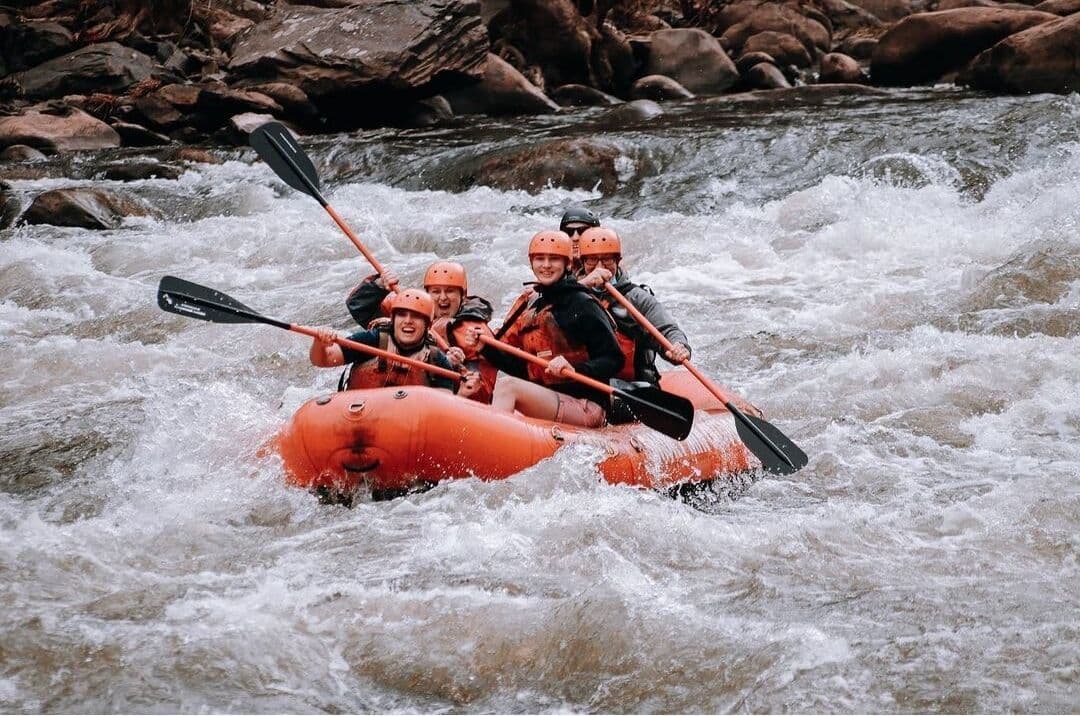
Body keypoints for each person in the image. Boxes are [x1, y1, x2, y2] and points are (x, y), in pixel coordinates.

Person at [483, 230, 623, 428]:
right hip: (551, 400)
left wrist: (575, 369)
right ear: (531, 263)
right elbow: (525, 371)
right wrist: (484, 347)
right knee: (505, 386)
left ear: (567, 264)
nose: (546, 265)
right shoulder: (534, 305)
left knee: (507, 387)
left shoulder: (582, 303)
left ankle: (493, 449)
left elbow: (614, 359)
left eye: (554, 259)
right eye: (540, 259)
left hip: (586, 406)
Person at [311, 288, 482, 397]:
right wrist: (319, 343)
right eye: (402, 315)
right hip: (359, 415)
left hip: (405, 430)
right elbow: (323, 360)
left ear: (427, 325)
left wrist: (462, 395)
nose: (408, 321)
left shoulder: (436, 360)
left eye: (416, 317)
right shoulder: (372, 340)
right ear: (393, 319)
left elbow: (445, 409)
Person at [575, 226, 692, 385]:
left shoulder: (636, 297)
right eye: (592, 259)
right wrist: (582, 286)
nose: (599, 267)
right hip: (582, 379)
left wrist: (679, 346)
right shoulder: (571, 293)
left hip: (634, 385)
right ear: (582, 262)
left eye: (607, 259)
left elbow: (667, 329)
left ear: (618, 261)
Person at [559, 205, 601, 272]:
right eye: (568, 231)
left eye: (583, 231)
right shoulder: (552, 268)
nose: (575, 237)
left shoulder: (609, 263)